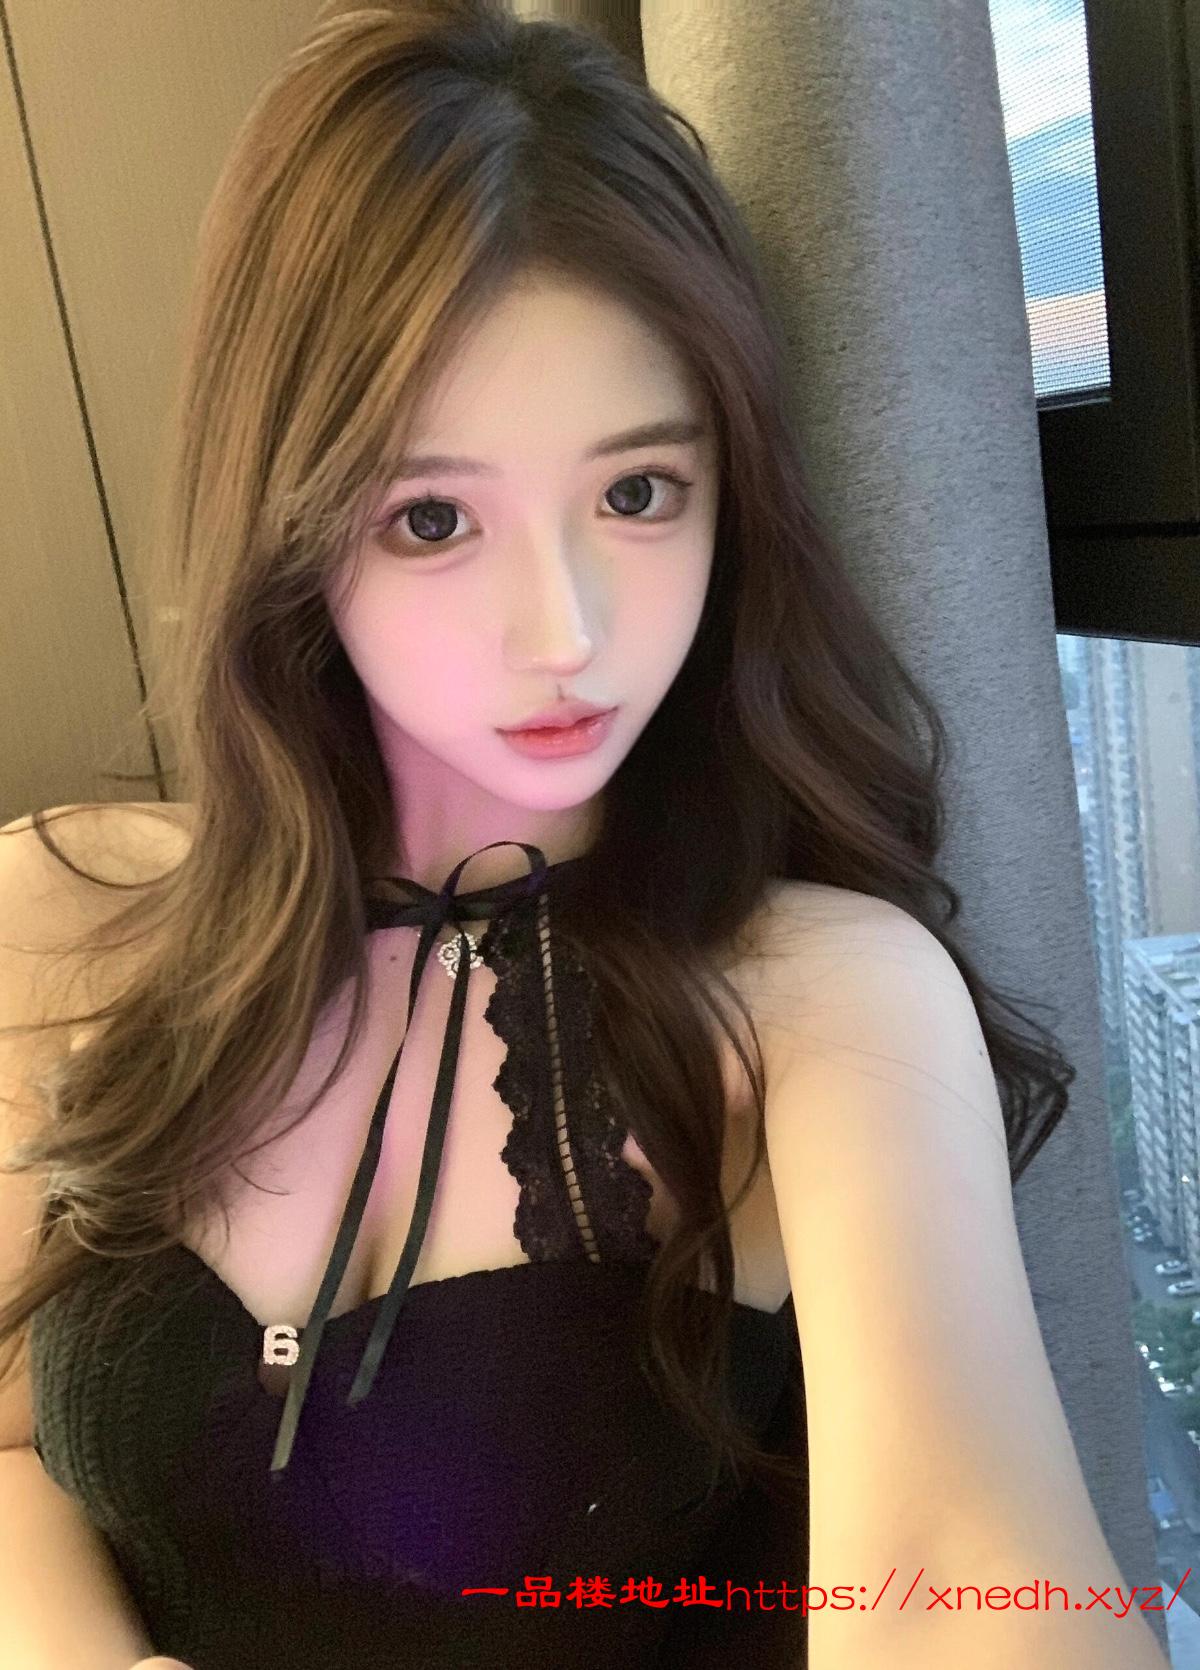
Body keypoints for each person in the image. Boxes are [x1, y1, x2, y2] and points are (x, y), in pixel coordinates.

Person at [0, 3, 1169, 1668]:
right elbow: (13, 1443)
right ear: (291, 524)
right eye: (433, 516)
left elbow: (961, 1580)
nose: (567, 630)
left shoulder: (827, 998)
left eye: (636, 494)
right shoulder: (59, 924)